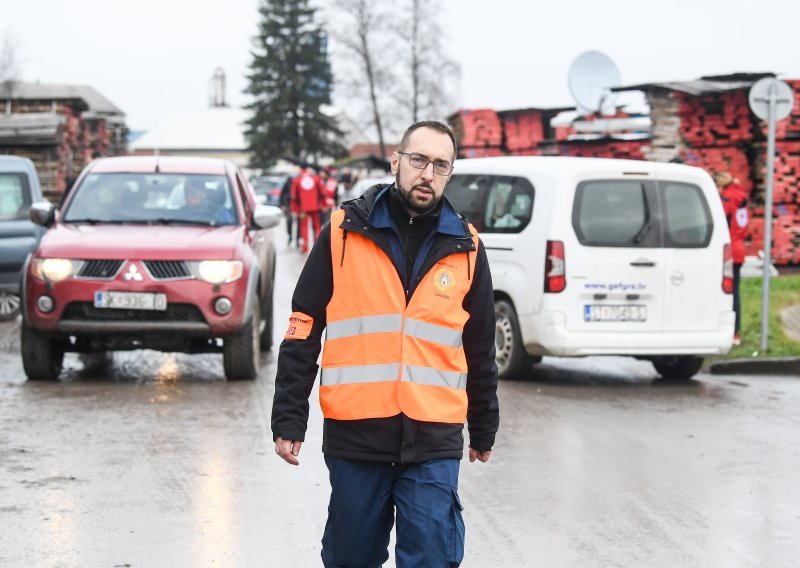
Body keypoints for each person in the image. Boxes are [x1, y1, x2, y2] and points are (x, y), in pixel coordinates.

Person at [271, 120, 499, 567]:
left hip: (433, 435)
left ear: (450, 173)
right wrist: (288, 416)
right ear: (396, 161)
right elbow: (304, 324)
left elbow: (480, 344)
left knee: (433, 555)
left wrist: (484, 421)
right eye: (418, 160)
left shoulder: (467, 246)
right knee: (352, 557)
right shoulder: (344, 231)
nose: (427, 174)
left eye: (440, 165)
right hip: (357, 434)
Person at [715, 171, 749, 345]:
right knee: (735, 291)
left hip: (728, 251)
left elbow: (719, 223)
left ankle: (728, 330)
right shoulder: (741, 198)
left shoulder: (726, 200)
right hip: (739, 249)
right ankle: (736, 333)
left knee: (727, 293)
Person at [290, 167, 325, 253]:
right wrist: (322, 204)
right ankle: (318, 246)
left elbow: (293, 197)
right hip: (315, 207)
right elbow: (323, 192)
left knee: (304, 227)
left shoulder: (297, 180)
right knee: (317, 226)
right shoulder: (316, 179)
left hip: (303, 209)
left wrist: (294, 209)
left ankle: (305, 246)